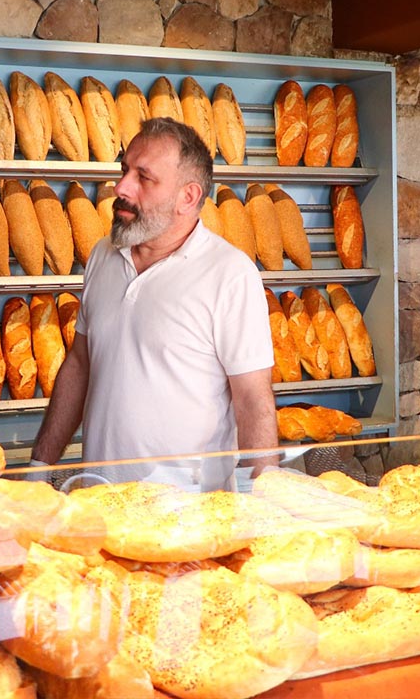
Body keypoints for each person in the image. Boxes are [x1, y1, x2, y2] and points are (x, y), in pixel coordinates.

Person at [30, 117, 278, 490]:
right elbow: (80, 365)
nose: (121, 187)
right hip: (100, 504)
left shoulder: (229, 274)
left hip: (188, 517)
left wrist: (262, 504)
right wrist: (38, 468)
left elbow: (253, 401)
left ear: (188, 197)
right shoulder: (103, 254)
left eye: (144, 178)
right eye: (125, 170)